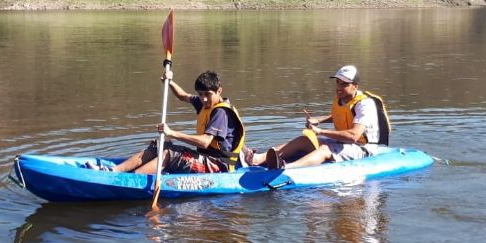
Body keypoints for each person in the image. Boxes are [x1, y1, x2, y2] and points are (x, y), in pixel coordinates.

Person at [87, 70, 245, 174]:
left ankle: (133, 179)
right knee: (159, 145)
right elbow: (182, 96)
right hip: (204, 158)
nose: (203, 99)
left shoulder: (221, 112)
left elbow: (204, 142)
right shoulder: (206, 104)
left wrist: (172, 133)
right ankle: (113, 171)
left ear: (219, 91)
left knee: (169, 154)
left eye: (207, 94)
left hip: (217, 166)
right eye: (200, 94)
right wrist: (169, 81)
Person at [251, 65, 390, 169]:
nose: (339, 87)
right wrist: (319, 120)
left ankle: (286, 168)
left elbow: (354, 135)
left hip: (364, 148)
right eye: (338, 82)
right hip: (345, 143)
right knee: (304, 140)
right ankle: (257, 159)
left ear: (355, 86)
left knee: (325, 150)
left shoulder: (364, 104)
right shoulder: (341, 98)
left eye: (345, 84)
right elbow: (340, 115)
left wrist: (321, 131)